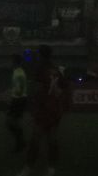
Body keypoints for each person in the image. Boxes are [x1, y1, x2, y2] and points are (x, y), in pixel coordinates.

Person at [17, 45, 69, 176]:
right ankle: (51, 169)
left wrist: (33, 107)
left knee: (36, 138)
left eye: (38, 54)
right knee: (52, 139)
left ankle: (28, 168)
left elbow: (37, 90)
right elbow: (64, 85)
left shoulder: (40, 69)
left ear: (41, 55)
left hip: (44, 108)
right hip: (55, 108)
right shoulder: (56, 69)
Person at [7, 54, 28, 153]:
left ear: (14, 62)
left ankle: (21, 142)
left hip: (18, 99)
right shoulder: (19, 72)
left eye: (12, 61)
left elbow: (19, 90)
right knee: (13, 122)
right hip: (20, 99)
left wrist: (14, 97)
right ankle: (20, 142)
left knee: (10, 122)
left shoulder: (18, 73)